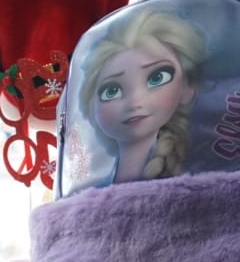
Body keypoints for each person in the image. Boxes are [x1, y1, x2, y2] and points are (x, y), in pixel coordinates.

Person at [78, 9, 207, 185]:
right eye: (112, 90)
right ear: (91, 104)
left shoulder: (198, 180)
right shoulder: (89, 189)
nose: (134, 102)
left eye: (157, 78)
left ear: (187, 87)